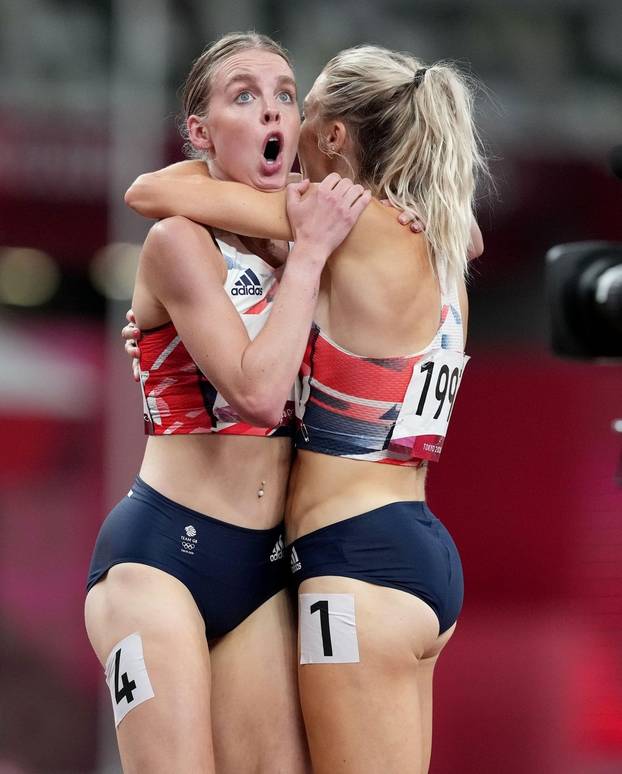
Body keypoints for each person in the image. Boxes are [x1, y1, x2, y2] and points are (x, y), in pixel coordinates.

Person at [125, 44, 487, 774]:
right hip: (418, 548)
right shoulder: (442, 235)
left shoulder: (341, 228)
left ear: (332, 135)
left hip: (353, 565)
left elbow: (153, 193)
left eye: (301, 100)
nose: (285, 120)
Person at [84, 32, 370, 774]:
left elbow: (455, 237)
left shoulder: (310, 232)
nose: (273, 109)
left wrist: (306, 245)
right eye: (245, 96)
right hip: (157, 563)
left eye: (284, 93)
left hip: (263, 565)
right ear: (203, 135)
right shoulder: (181, 241)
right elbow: (258, 393)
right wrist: (307, 258)